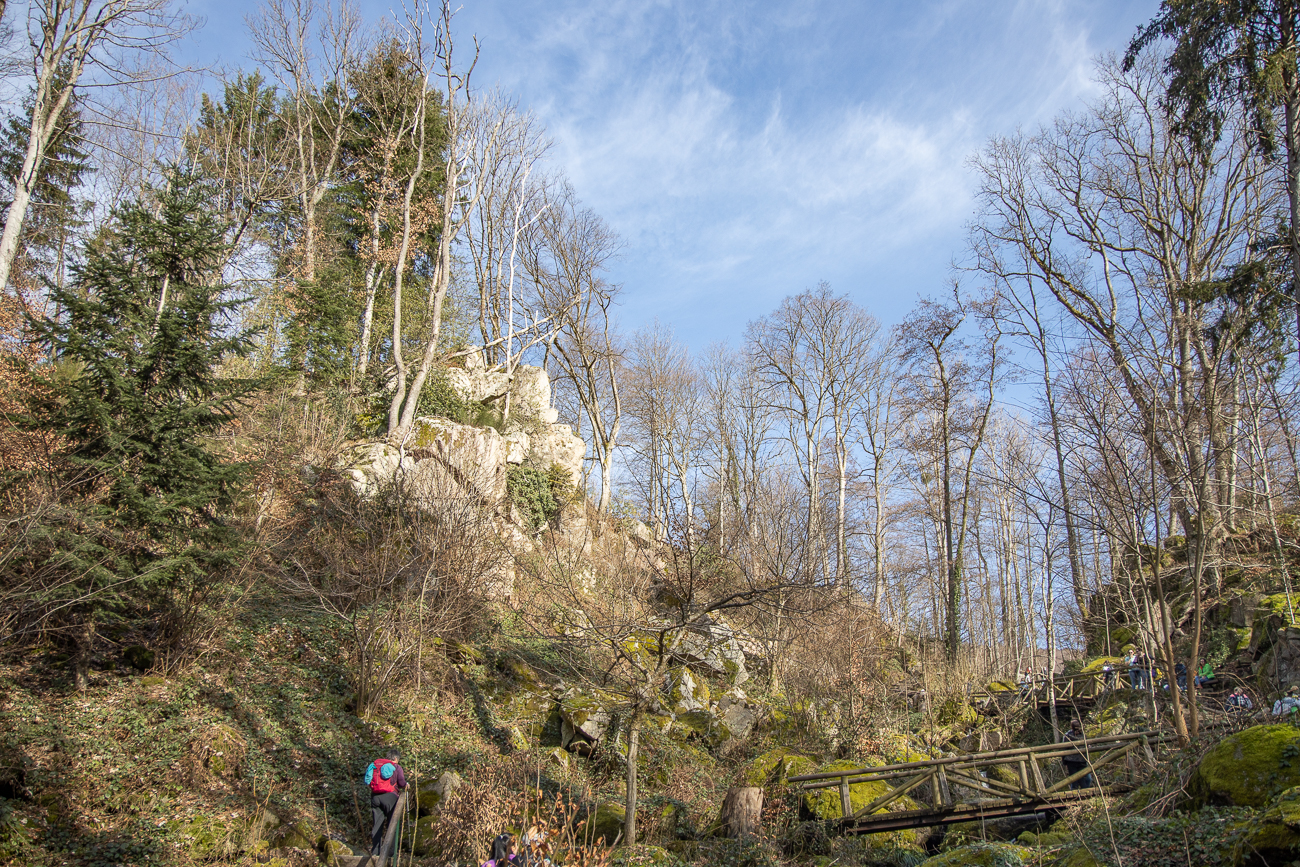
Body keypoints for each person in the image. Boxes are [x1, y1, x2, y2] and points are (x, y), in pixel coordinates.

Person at [365, 748, 407, 856]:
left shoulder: (376, 765)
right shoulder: (396, 767)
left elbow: (368, 781)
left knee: (377, 824)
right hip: (390, 797)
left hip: (375, 797)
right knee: (392, 823)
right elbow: (402, 783)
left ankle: (375, 852)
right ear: (396, 758)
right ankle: (390, 853)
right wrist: (406, 785)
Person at [1061, 718, 1094, 790]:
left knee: (1074, 780)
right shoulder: (1083, 735)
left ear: (1071, 726)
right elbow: (1088, 745)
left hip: (1071, 761)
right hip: (1082, 760)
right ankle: (1085, 795)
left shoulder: (1068, 735)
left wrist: (1063, 760)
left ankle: (1074, 796)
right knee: (1082, 779)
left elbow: (1064, 748)